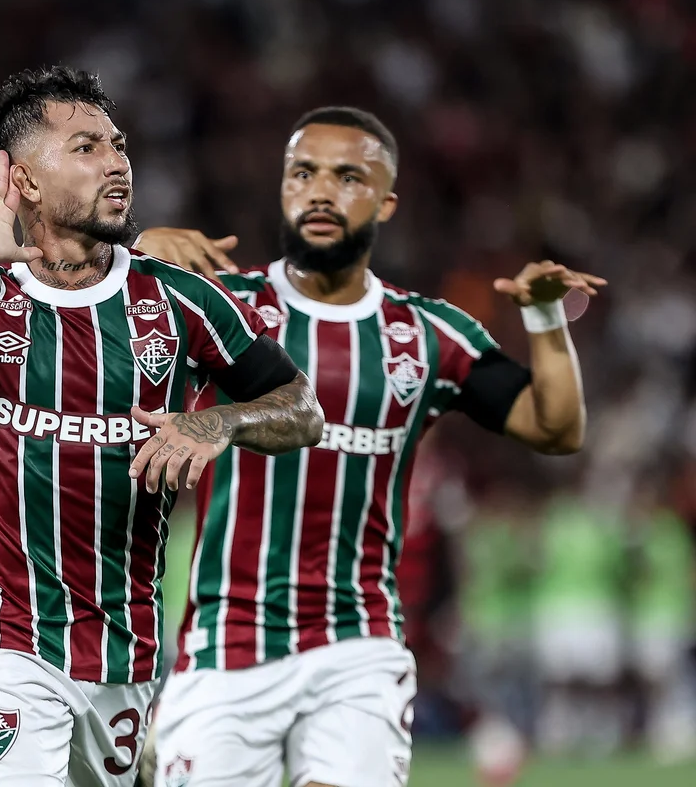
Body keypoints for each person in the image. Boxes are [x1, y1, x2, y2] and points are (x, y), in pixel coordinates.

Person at [0, 65, 325, 787]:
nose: (117, 161)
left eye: (117, 144)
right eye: (85, 147)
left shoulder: (179, 301)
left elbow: (302, 409)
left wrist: (221, 426)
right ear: (23, 182)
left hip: (124, 648)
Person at [134, 106, 603, 787]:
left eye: (348, 176)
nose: (321, 191)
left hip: (357, 644)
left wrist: (544, 316)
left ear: (385, 202)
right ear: (284, 188)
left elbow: (555, 427)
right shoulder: (224, 307)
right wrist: (142, 252)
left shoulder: (428, 333)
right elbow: (89, 326)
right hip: (225, 645)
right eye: (304, 173)